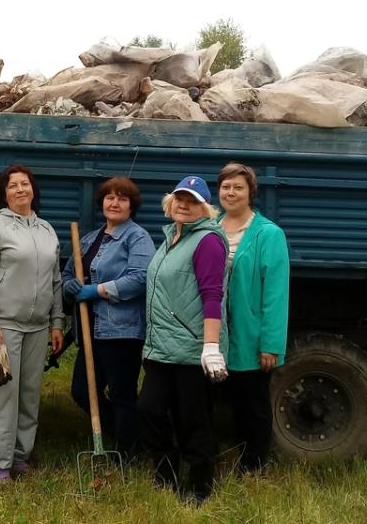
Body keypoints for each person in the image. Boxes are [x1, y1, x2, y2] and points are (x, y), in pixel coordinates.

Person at [137, 175, 228, 504]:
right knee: (149, 410)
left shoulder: (207, 241)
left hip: (192, 348)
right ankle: (166, 474)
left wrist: (211, 347)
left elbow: (212, 295)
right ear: (170, 202)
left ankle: (201, 486)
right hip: (161, 347)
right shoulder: (171, 237)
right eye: (179, 198)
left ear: (205, 208)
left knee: (193, 419)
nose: (184, 205)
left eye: (192, 201)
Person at [0, 165, 65, 483]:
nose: (20, 190)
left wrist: (57, 322)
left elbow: (55, 282)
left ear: (33, 190)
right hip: (6, 327)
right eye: (13, 186)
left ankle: (21, 456)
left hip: (39, 328)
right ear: (4, 193)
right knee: (5, 394)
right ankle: (1, 464)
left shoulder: (47, 231)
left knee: (29, 393)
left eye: (25, 184)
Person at [61, 176, 155, 461]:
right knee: (80, 391)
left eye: (122, 198)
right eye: (110, 197)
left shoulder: (137, 237)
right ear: (101, 201)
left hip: (122, 331)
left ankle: (127, 453)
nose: (115, 203)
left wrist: (98, 290)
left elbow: (140, 278)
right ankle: (125, 432)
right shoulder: (90, 238)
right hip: (91, 331)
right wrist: (70, 287)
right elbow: (67, 274)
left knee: (122, 394)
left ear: (131, 206)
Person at [215, 162, 290, 475]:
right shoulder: (209, 227)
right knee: (218, 399)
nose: (231, 193)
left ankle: (254, 464)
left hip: (250, 334)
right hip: (215, 334)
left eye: (238, 187)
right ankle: (221, 455)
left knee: (252, 403)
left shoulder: (268, 234)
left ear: (250, 193)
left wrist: (270, 344)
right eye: (226, 187)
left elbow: (275, 294)